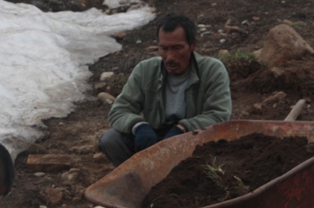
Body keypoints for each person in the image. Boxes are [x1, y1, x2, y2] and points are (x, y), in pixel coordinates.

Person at [99, 12, 232, 166]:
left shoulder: (212, 70)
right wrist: (139, 126)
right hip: (155, 138)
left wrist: (183, 129)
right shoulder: (145, 70)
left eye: (177, 48)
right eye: (164, 48)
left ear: (193, 45)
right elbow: (119, 111)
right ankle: (138, 178)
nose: (169, 57)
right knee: (110, 139)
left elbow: (219, 115)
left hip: (192, 139)